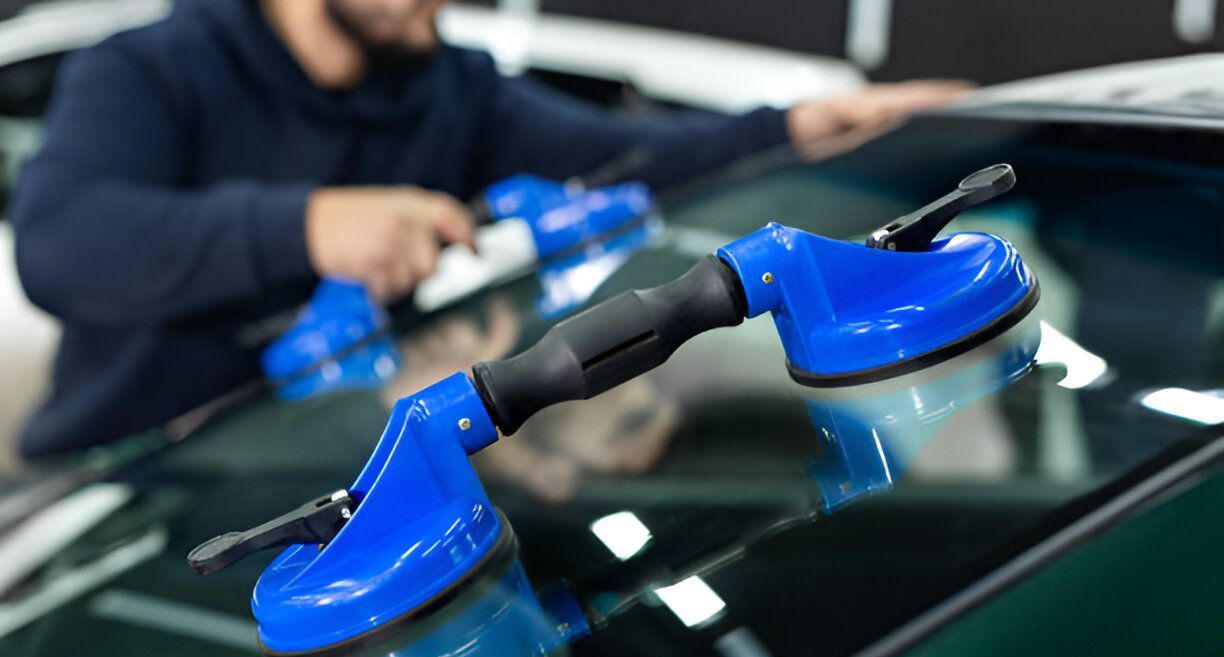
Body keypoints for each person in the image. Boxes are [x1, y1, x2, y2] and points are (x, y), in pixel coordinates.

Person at [11, 0, 969, 457]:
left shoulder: (445, 87)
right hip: (123, 482)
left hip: (318, 468)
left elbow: (624, 158)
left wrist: (792, 130)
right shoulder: (150, 72)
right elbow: (61, 242)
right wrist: (307, 228)